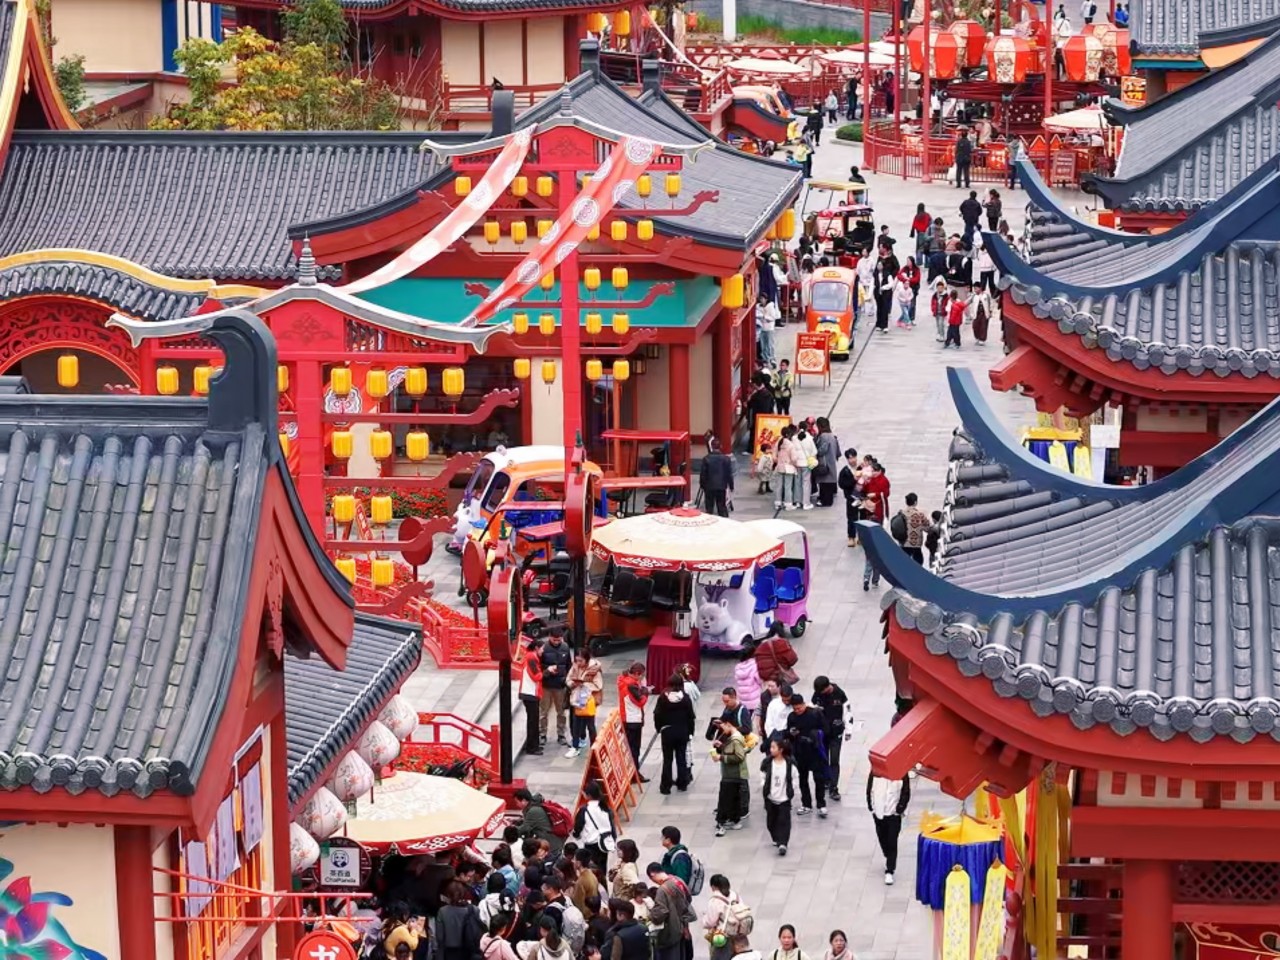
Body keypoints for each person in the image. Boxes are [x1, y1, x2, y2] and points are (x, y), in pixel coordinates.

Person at [785, 694, 828, 817]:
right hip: (800, 751)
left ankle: (821, 804)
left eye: (799, 708)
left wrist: (815, 735)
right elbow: (788, 733)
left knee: (818, 778)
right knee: (803, 779)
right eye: (795, 709)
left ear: (804, 704)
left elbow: (826, 729)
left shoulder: (815, 714)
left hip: (815, 751)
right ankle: (806, 804)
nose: (797, 711)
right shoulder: (792, 717)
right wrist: (791, 733)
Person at [653, 675, 696, 794]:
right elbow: (691, 717)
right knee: (681, 758)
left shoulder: (663, 698)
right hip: (682, 731)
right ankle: (682, 783)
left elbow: (657, 714)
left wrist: (659, 728)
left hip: (668, 731)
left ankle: (665, 786)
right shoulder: (685, 698)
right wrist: (690, 731)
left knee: (667, 760)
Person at [868, 772, 912, 884]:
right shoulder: (876, 772)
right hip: (879, 812)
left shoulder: (902, 773)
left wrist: (900, 808)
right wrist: (871, 806)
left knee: (892, 841)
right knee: (882, 838)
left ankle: (890, 870)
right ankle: (888, 855)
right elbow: (869, 787)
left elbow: (906, 791)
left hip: (893, 815)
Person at [811, 677, 851, 800]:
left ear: (827, 687)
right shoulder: (818, 694)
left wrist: (848, 730)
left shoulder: (839, 694)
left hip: (836, 733)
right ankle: (826, 780)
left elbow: (847, 712)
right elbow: (812, 707)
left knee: (834, 760)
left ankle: (834, 788)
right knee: (823, 758)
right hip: (822, 733)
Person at [645, 863, 696, 960]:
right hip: (682, 928)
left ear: (652, 874)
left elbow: (660, 913)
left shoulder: (662, 890)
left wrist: (651, 915)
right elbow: (688, 899)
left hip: (671, 932)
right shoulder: (678, 880)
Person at [711, 717, 749, 835]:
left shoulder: (735, 739)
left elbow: (739, 756)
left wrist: (721, 757)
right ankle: (733, 819)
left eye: (722, 726)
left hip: (732, 774)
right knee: (733, 799)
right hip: (732, 774)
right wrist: (722, 747)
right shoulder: (734, 738)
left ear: (728, 724)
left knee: (725, 799)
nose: (722, 730)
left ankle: (722, 822)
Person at [760, 737, 796, 855]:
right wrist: (764, 785)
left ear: (781, 750)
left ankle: (783, 843)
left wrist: (790, 790)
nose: (771, 750)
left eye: (773, 747)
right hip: (771, 798)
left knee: (784, 821)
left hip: (784, 798)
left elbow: (794, 778)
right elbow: (763, 775)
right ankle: (776, 838)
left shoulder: (789, 764)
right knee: (771, 822)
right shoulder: (767, 763)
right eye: (771, 747)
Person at [566, 648, 604, 758]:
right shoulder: (575, 667)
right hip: (577, 699)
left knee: (590, 725)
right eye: (577, 660)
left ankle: (594, 748)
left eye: (581, 661)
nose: (578, 663)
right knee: (576, 724)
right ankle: (575, 746)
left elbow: (598, 685)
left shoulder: (594, 670)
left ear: (586, 660)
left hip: (589, 700)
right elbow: (568, 679)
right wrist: (572, 684)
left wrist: (584, 685)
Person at [702, 875, 750, 960]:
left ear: (714, 887)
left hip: (723, 937)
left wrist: (704, 918)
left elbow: (711, 922)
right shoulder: (735, 896)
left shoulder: (715, 901)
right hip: (740, 936)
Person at [860, 459, 891, 591]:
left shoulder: (884, 480)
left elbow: (886, 494)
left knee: (870, 559)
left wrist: (876, 494)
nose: (871, 473)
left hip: (879, 508)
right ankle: (872, 579)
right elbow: (863, 490)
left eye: (873, 471)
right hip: (870, 509)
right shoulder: (870, 479)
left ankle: (870, 579)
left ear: (878, 471)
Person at [435, 881, 485, 960]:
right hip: (468, 951)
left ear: (448, 895)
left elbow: (440, 937)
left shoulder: (442, 911)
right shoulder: (473, 910)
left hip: (449, 952)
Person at [573, 782, 616, 872]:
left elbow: (578, 826)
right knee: (602, 869)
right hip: (604, 843)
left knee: (592, 870)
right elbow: (612, 826)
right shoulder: (605, 808)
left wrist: (576, 835)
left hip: (591, 844)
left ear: (588, 795)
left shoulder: (584, 810)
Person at [539, 631, 572, 746]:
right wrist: (548, 669)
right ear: (550, 637)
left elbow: (569, 665)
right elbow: (539, 665)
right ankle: (542, 734)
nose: (557, 642)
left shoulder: (565, 647)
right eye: (554, 640)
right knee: (543, 711)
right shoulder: (543, 648)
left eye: (559, 640)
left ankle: (561, 734)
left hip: (560, 685)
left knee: (561, 712)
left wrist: (567, 679)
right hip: (546, 685)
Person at [617, 662, 650, 773]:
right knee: (634, 749)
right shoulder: (631, 685)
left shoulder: (623, 681)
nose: (642, 678)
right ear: (636, 674)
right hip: (633, 720)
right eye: (642, 675)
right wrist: (645, 691)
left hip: (626, 718)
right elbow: (640, 702)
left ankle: (629, 771)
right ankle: (634, 773)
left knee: (629, 748)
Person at [515, 788, 563, 853]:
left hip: (550, 844)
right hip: (552, 841)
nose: (516, 805)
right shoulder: (534, 806)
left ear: (523, 800)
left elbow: (525, 828)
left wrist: (511, 830)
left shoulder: (533, 811)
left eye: (517, 802)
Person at [519, 638, 544, 756]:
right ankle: (532, 747)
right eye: (542, 649)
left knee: (533, 720)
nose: (543, 651)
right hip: (530, 693)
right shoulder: (531, 658)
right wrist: (547, 671)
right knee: (533, 721)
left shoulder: (530, 656)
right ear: (537, 648)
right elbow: (537, 676)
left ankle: (534, 744)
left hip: (530, 693)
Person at [701, 437, 735, 518]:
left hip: (709, 486)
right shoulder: (726, 459)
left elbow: (703, 474)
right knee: (721, 506)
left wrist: (703, 485)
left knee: (709, 507)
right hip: (721, 486)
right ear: (720, 446)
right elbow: (729, 474)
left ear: (712, 447)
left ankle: (709, 520)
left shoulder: (706, 459)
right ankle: (723, 521)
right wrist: (731, 485)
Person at [811, 417, 840, 507]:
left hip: (824, 462)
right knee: (829, 483)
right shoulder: (832, 435)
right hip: (831, 461)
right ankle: (826, 499)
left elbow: (822, 449)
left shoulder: (823, 436)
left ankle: (825, 501)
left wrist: (815, 451)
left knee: (824, 483)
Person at [837, 448, 861, 547]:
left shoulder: (861, 468)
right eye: (850, 458)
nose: (852, 460)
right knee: (851, 518)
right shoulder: (845, 471)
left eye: (854, 457)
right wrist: (853, 480)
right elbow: (841, 484)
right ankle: (851, 537)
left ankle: (861, 537)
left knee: (863, 517)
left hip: (862, 497)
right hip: (851, 498)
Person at [775, 425, 803, 512]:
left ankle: (778, 503)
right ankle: (788, 504)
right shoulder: (791, 445)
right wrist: (796, 464)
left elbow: (774, 455)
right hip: (789, 468)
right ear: (788, 434)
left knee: (779, 486)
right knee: (788, 487)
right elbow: (794, 458)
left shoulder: (779, 442)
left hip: (780, 467)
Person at [874, 243, 899, 333]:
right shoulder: (880, 257)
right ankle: (878, 323)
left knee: (885, 306)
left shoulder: (892, 258)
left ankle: (884, 325)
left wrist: (891, 275)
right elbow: (874, 273)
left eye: (881, 247)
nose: (879, 249)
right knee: (879, 307)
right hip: (878, 289)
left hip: (887, 287)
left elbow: (897, 268)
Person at [733, 649, 764, 716]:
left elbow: (737, 680)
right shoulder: (754, 665)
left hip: (743, 699)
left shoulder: (737, 667)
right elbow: (759, 680)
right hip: (754, 699)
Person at [902, 493, 930, 564]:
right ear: (915, 502)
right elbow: (928, 528)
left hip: (904, 542)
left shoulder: (901, 514)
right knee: (918, 562)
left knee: (904, 563)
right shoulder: (920, 514)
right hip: (916, 544)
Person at [796, 423, 817, 508]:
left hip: (797, 463)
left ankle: (797, 501)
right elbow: (814, 451)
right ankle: (806, 503)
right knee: (806, 483)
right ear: (807, 428)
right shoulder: (809, 438)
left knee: (797, 483)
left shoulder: (794, 438)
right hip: (806, 463)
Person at [895, 258, 920, 327]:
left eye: (909, 261)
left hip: (913, 288)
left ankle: (911, 318)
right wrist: (905, 279)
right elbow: (899, 275)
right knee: (905, 307)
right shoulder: (905, 268)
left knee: (912, 305)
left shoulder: (916, 269)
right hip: (905, 289)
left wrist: (909, 279)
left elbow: (917, 279)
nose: (908, 262)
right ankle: (906, 319)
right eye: (907, 261)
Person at [756, 294, 779, 366]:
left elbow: (773, 317)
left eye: (762, 299)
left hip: (769, 329)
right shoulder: (758, 307)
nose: (761, 300)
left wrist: (764, 317)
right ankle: (765, 360)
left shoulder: (770, 307)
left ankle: (772, 359)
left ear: (766, 299)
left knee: (770, 345)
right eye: (760, 299)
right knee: (763, 345)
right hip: (762, 328)